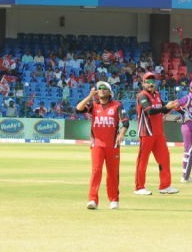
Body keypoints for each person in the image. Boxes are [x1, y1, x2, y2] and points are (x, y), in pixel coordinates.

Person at [76, 81, 127, 210]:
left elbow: (125, 123)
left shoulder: (117, 105)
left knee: (113, 173)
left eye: (104, 88)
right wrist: (89, 96)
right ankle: (92, 199)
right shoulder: (93, 105)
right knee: (96, 171)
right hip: (97, 144)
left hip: (112, 145)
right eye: (99, 89)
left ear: (110, 92)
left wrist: (121, 134)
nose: (101, 90)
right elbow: (78, 108)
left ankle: (114, 199)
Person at [134, 72, 180, 195]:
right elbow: (150, 111)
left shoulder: (157, 95)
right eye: (148, 81)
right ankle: (139, 187)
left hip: (159, 133)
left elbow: (164, 108)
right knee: (143, 161)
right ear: (143, 83)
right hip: (146, 132)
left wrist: (172, 106)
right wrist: (166, 108)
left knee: (164, 159)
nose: (150, 84)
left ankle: (165, 186)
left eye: (152, 81)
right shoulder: (142, 96)